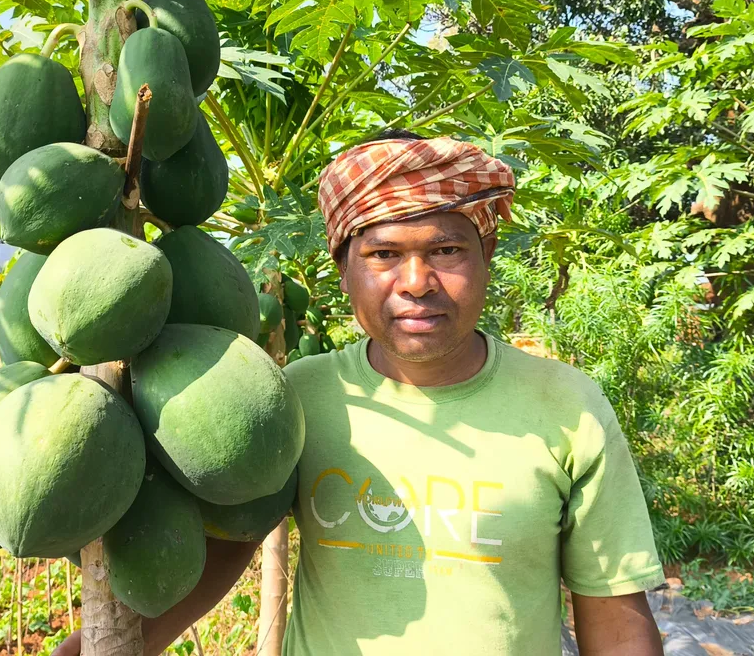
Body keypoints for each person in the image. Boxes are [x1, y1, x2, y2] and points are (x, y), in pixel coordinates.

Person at [56, 132, 665, 655]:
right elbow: (229, 541)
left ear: (488, 254)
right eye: (383, 255)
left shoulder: (568, 407)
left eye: (447, 250)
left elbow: (613, 614)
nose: (417, 283)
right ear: (344, 267)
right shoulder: (295, 395)